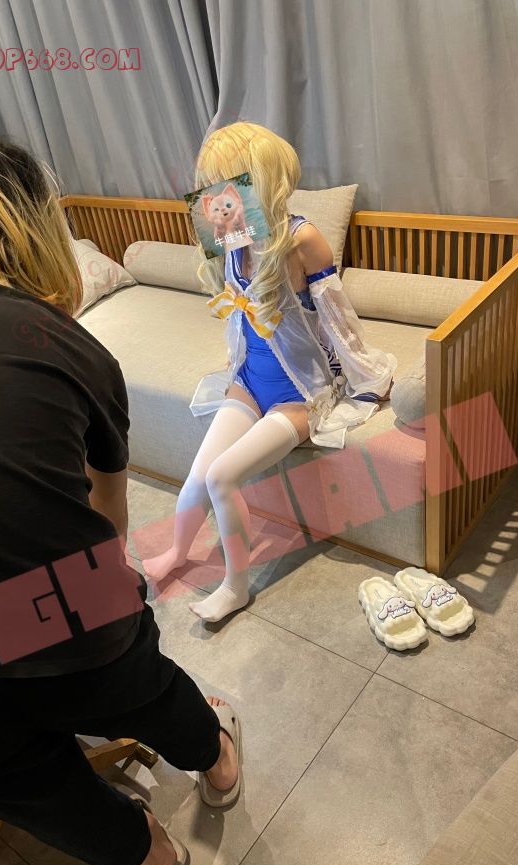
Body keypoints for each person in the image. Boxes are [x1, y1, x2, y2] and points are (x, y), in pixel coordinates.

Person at [0, 131, 240, 865]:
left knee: (37, 792)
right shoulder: (63, 342)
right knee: (143, 687)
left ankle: (152, 855)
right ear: (37, 225)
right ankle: (216, 760)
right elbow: (108, 517)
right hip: (48, 608)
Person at [144, 122, 397, 622]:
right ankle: (177, 550)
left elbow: (338, 321)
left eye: (225, 182)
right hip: (250, 380)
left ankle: (235, 587)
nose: (213, 197)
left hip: (300, 392)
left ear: (257, 178)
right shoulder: (231, 232)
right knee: (199, 474)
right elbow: (237, 313)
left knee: (222, 477)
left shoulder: (301, 239)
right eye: (209, 185)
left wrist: (366, 378)